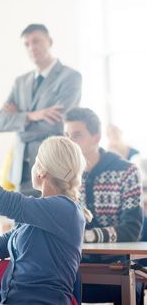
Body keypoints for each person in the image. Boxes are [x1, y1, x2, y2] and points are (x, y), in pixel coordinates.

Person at [0, 126, 91, 305]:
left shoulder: (64, 209)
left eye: (35, 161)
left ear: (42, 171)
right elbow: (0, 244)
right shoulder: (39, 212)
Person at [64, 107, 143, 304]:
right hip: (73, 266)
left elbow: (131, 230)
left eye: (77, 135)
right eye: (66, 135)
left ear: (96, 137)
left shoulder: (127, 171)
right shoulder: (64, 173)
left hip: (116, 267)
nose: (69, 141)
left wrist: (87, 237)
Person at [0, 23, 82, 197]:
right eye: (26, 44)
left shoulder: (70, 77)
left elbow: (55, 126)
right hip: (21, 171)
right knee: (21, 224)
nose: (32, 47)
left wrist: (18, 121)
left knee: (49, 222)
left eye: (36, 41)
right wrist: (33, 115)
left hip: (52, 171)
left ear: (49, 41)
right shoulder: (20, 82)